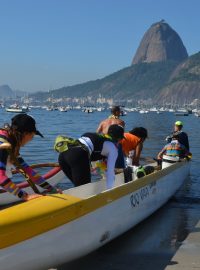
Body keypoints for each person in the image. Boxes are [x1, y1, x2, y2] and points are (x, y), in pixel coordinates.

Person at [0, 113, 61, 202]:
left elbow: (28, 171)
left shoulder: (11, 141)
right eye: (32, 136)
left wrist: (51, 190)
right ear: (25, 134)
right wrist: (25, 196)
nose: (31, 139)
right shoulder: (3, 144)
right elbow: (0, 177)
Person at [58, 124, 125, 189]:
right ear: (119, 138)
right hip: (77, 156)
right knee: (84, 189)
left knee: (78, 188)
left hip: (63, 155)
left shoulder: (92, 135)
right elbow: (107, 168)